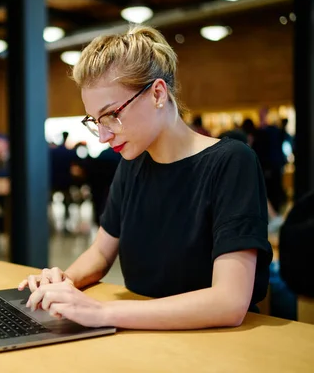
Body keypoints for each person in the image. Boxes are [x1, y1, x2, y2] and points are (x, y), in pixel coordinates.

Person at [19, 25, 272, 330]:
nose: (103, 135)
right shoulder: (133, 163)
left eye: (112, 115)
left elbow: (228, 302)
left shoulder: (231, 162)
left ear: (157, 93)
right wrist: (63, 283)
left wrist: (103, 313)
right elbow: (101, 251)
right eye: (96, 121)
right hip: (146, 335)